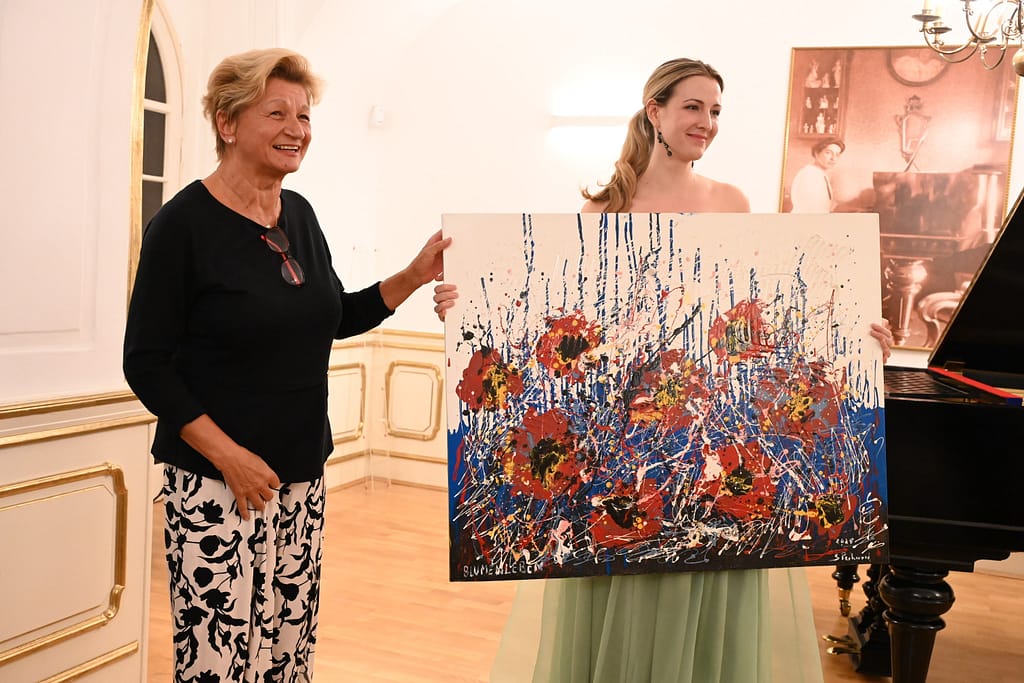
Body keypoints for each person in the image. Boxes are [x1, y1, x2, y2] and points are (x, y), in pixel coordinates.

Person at [434, 58, 892, 683]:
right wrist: (463, 311)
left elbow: (761, 315)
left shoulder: (732, 202)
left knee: (707, 576)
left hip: (715, 429)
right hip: (627, 438)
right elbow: (564, 323)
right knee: (628, 577)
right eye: (693, 107)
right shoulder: (603, 208)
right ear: (655, 111)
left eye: (716, 111)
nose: (707, 123)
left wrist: (856, 340)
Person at [123, 48, 449, 682]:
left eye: (304, 115)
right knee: (218, 663)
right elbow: (146, 364)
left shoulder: (298, 213)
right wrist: (230, 458)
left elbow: (335, 315)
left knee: (287, 656)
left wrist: (415, 274)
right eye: (277, 113)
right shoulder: (182, 226)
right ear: (227, 122)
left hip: (299, 475)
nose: (296, 128)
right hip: (217, 484)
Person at [789, 137, 845, 213]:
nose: (833, 158)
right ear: (816, 153)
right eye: (828, 153)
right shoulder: (809, 175)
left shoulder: (820, 174)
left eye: (837, 155)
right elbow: (810, 210)